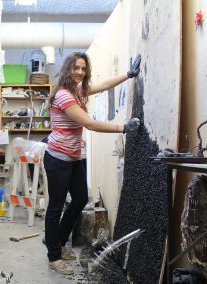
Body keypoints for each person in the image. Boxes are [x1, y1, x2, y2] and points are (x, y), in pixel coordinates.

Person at [44, 51, 141, 275]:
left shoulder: (76, 90)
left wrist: (128, 74)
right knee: (55, 207)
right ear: (67, 69)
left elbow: (102, 85)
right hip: (58, 158)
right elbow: (89, 123)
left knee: (79, 199)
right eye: (75, 68)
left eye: (83, 68)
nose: (79, 72)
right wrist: (123, 128)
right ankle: (54, 256)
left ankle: (58, 242)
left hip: (73, 156)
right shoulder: (63, 95)